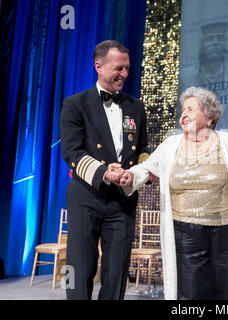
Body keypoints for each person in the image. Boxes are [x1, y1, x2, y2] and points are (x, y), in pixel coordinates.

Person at [115, 87, 228, 300]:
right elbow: (145, 169)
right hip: (186, 232)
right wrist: (128, 176)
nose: (184, 114)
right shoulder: (171, 145)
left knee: (224, 292)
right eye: (183, 110)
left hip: (226, 232)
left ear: (209, 118)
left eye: (191, 109)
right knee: (190, 294)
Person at [60, 40, 148, 300]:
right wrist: (103, 172)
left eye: (127, 69)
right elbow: (72, 152)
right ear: (98, 66)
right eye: (118, 68)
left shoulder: (136, 106)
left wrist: (138, 173)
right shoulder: (75, 104)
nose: (124, 74)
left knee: (116, 273)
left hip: (123, 200)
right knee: (78, 268)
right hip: (86, 197)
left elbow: (142, 149)